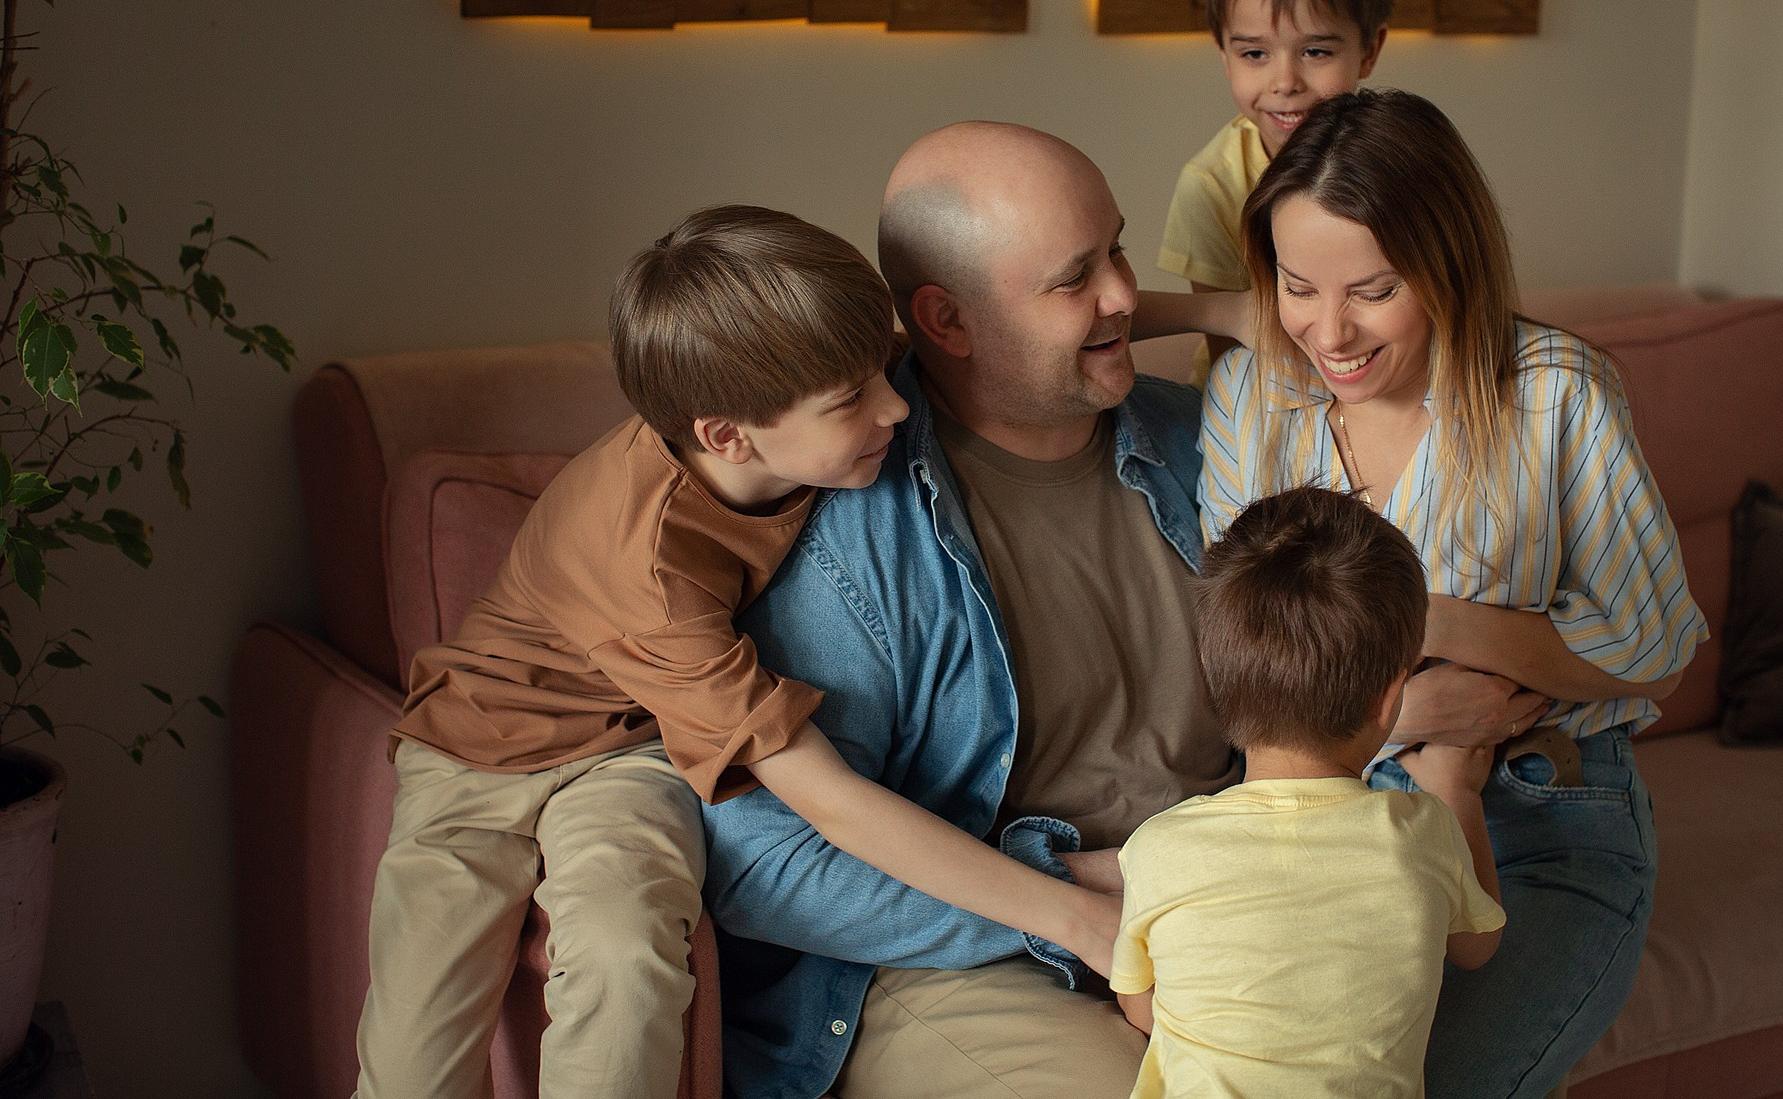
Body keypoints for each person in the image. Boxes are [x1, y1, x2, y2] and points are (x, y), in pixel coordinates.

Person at [353, 206, 1120, 1099]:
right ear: (726, 434)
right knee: (417, 1037)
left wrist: (1228, 311)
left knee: (627, 959)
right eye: (851, 401)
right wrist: (1078, 921)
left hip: (636, 752)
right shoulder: (645, 566)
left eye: (879, 371)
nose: (895, 404)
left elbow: (1022, 319)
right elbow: (834, 807)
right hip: (474, 751)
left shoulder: (799, 397)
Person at [704, 124, 1238, 1099]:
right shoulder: (844, 532)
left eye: (1115, 248)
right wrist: (1059, 898)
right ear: (945, 321)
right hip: (970, 961)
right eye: (1074, 277)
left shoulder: (1215, 442)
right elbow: (763, 864)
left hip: (1218, 904)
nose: (1124, 294)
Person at [1198, 90, 1708, 1098]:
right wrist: (1409, 706)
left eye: (1373, 289)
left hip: (1541, 812)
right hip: (1315, 823)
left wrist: (1434, 624)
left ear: (1445, 263)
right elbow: (1236, 655)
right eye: (1296, 285)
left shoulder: (1554, 391)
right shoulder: (1251, 400)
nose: (1326, 330)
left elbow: (1650, 644)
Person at [1112, 485, 1505, 1098]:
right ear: (1387, 699)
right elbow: (1478, 947)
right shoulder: (1420, 835)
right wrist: (1459, 791)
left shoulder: (1157, 850)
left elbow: (1142, 1009)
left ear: (1217, 679)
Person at [1157, 0, 1392, 379]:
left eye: (1316, 52)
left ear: (1369, 50)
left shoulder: (1400, 160)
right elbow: (1227, 346)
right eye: (1255, 54)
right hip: (1261, 390)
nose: (1284, 83)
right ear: (1224, 55)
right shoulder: (1213, 186)